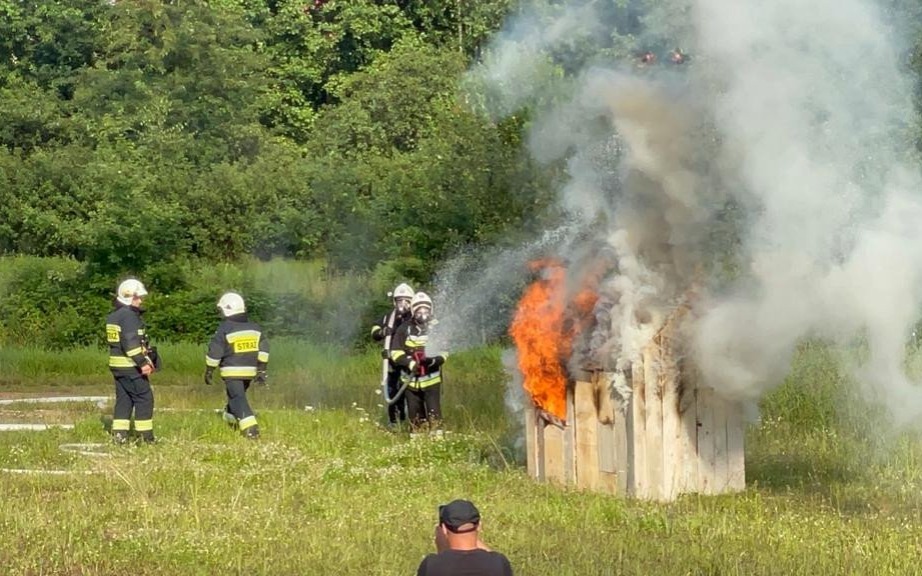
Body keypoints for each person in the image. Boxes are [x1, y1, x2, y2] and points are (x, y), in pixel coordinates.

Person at [204, 292, 269, 440]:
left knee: (237, 398)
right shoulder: (255, 328)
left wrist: (209, 370)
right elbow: (264, 350)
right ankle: (230, 417)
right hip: (250, 372)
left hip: (232, 372)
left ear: (227, 310)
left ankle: (251, 429)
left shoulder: (225, 328)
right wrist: (262, 370)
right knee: (235, 396)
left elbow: (215, 352)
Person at [106, 278, 158, 444]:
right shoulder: (129, 316)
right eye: (137, 297)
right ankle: (145, 438)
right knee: (144, 398)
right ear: (128, 297)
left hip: (117, 366)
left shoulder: (114, 316)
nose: (140, 301)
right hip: (130, 366)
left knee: (124, 400)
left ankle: (119, 436)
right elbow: (130, 343)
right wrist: (143, 363)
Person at [390, 291, 447, 432]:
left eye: (426, 310)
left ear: (431, 310)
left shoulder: (437, 328)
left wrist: (432, 361)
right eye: (419, 311)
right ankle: (416, 440)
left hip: (431, 381)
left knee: (434, 412)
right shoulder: (404, 328)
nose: (423, 314)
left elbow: (444, 352)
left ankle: (437, 440)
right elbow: (395, 352)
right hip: (410, 382)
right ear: (413, 311)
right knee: (414, 414)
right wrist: (410, 363)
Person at [416, 499, 513, 576]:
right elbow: (492, 558)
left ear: (444, 529)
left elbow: (445, 564)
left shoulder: (431, 565)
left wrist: (442, 546)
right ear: (479, 526)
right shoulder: (498, 563)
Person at [370, 282, 415, 428]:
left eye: (407, 301)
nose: (403, 304)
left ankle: (414, 420)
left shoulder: (416, 317)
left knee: (411, 390)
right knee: (393, 390)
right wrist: (382, 332)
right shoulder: (388, 317)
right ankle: (395, 421)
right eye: (399, 300)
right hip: (392, 362)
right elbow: (374, 331)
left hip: (408, 361)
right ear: (394, 302)